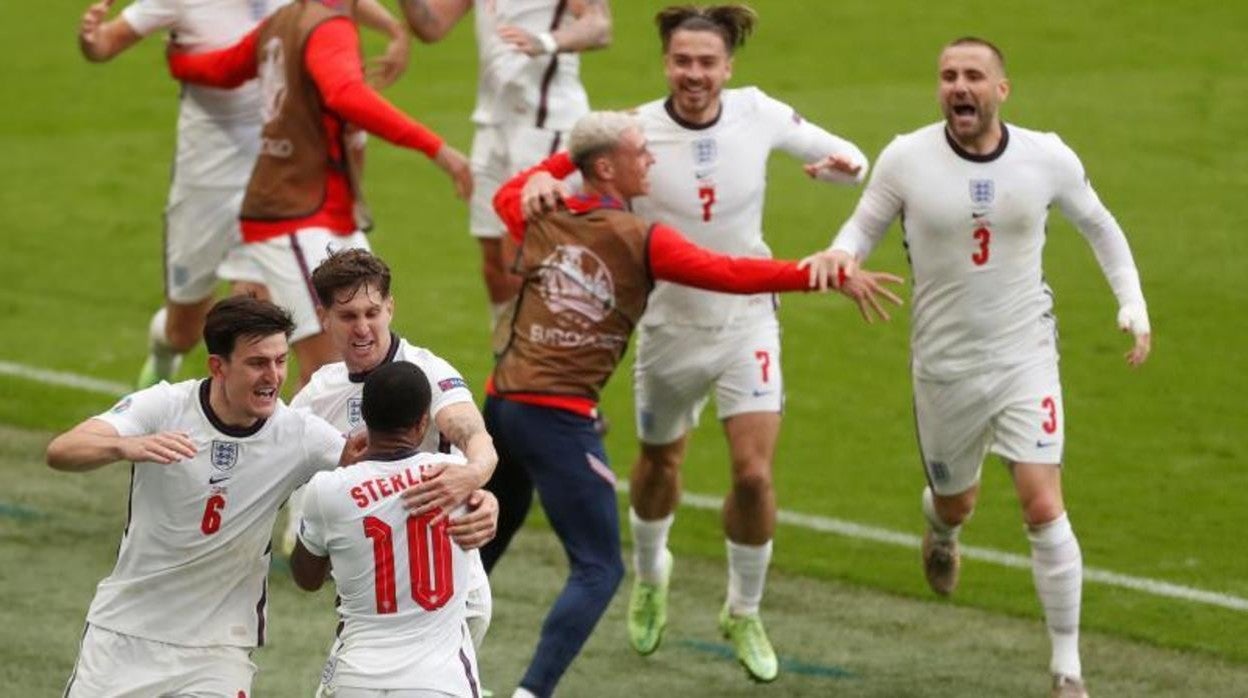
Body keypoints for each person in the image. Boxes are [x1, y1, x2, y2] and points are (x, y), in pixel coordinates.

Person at [479, 111, 900, 698]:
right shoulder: (639, 240)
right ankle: (531, 693)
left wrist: (553, 170)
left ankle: (423, 657)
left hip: (499, 408)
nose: (651, 159)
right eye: (640, 152)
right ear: (606, 167)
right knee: (599, 569)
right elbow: (728, 272)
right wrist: (818, 276)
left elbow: (506, 193)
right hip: (557, 419)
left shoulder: (536, 213)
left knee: (483, 546)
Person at [816, 37, 1153, 698]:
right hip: (944, 368)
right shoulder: (906, 157)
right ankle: (941, 530)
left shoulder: (1046, 156)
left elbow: (1101, 225)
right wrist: (840, 258)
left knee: (1041, 501)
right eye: (947, 76)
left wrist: (1132, 304)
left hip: (1025, 355)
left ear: (1002, 90)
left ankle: (1067, 670)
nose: (958, 86)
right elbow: (860, 227)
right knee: (957, 498)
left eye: (973, 75)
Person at [606, 4, 875, 681]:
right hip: (668, 325)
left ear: (728, 66)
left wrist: (838, 170)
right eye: (682, 61)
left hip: (747, 319)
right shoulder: (634, 130)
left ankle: (743, 608)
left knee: (754, 474)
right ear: (666, 62)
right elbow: (579, 182)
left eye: (707, 62)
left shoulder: (758, 112)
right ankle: (649, 573)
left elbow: (855, 161)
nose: (693, 74)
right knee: (660, 464)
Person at [76, 0, 412, 389]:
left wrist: (392, 28)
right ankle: (163, 354)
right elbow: (104, 44)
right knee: (184, 331)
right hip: (207, 180)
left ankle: (250, 430)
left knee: (260, 318)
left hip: (277, 183)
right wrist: (90, 37)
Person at [46, 296, 350, 697]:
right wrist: (124, 446)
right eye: (258, 362)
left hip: (218, 651)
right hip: (124, 636)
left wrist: (460, 471)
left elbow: (379, 466)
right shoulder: (166, 406)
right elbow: (62, 451)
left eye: (280, 361)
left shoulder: (299, 435)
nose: (273, 376)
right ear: (217, 366)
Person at [165, 0, 474, 386]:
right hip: (295, 214)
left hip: (319, 212)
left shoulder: (285, 19)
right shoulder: (328, 28)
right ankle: (299, 445)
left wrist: (178, 62)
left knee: (360, 354)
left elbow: (225, 68)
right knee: (332, 367)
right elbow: (344, 94)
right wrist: (439, 150)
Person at [287, 248, 498, 650]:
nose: (362, 328)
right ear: (324, 318)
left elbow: (474, 435)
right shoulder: (318, 393)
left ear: (390, 308)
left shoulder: (427, 372)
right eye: (348, 317)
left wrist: (473, 476)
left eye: (372, 312)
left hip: (448, 595)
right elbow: (270, 457)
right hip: (374, 592)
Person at [398, 0, 612, 328]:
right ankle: (508, 362)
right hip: (493, 125)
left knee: (527, 260)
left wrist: (546, 42)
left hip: (546, 124)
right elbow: (432, 26)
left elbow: (599, 26)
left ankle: (543, 366)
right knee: (495, 267)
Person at [291, 361, 489, 698]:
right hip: (440, 682)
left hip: (356, 679)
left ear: (365, 418)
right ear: (422, 422)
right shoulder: (458, 477)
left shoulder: (328, 490)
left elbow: (307, 578)